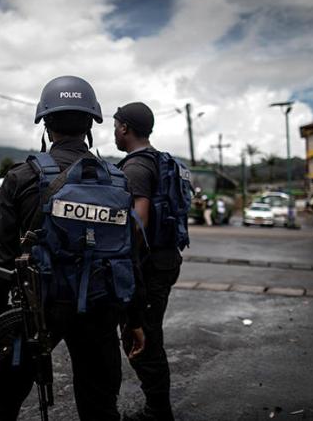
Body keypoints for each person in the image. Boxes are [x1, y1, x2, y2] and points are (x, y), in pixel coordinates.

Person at [0, 76, 144, 421]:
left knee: (2, 401)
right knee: (100, 406)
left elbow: (1, 263)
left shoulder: (21, 178)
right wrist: (134, 320)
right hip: (100, 309)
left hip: (37, 309)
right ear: (90, 125)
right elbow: (130, 256)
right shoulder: (116, 180)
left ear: (46, 123)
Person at [114, 102, 184, 421]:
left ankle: (158, 412)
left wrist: (126, 267)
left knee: (142, 338)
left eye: (116, 125)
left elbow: (137, 225)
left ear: (125, 128)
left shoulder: (136, 168)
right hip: (166, 258)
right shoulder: (159, 160)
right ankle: (159, 408)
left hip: (149, 264)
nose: (114, 131)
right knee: (146, 334)